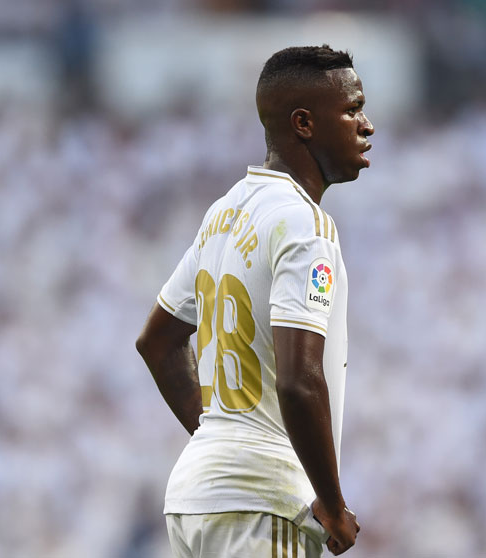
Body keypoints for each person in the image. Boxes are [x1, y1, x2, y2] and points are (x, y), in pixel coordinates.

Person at [135, 45, 374, 557]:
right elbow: (297, 377)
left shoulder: (223, 214)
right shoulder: (306, 226)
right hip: (262, 503)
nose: (367, 124)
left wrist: (219, 436)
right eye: (352, 109)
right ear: (305, 123)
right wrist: (331, 505)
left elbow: (157, 341)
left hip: (195, 498)